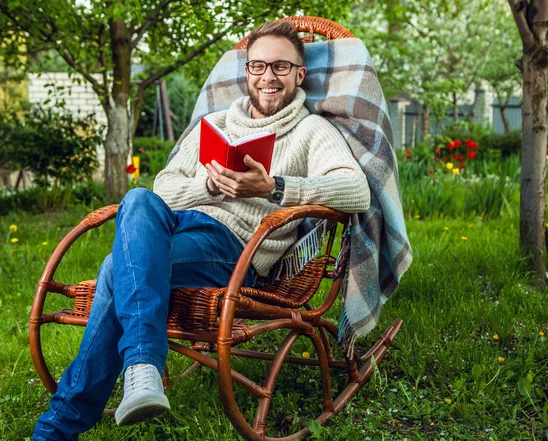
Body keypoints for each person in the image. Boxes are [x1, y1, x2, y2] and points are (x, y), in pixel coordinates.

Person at [33, 20, 370, 440]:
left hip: (237, 250)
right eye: (258, 65)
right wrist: (207, 185)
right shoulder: (214, 125)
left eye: (281, 67)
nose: (268, 77)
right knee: (139, 198)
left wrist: (274, 187)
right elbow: (165, 186)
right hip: (181, 228)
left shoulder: (311, 131)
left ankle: (62, 423)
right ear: (246, 71)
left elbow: (356, 191)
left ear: (300, 75)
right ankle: (141, 371)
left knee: (115, 271)